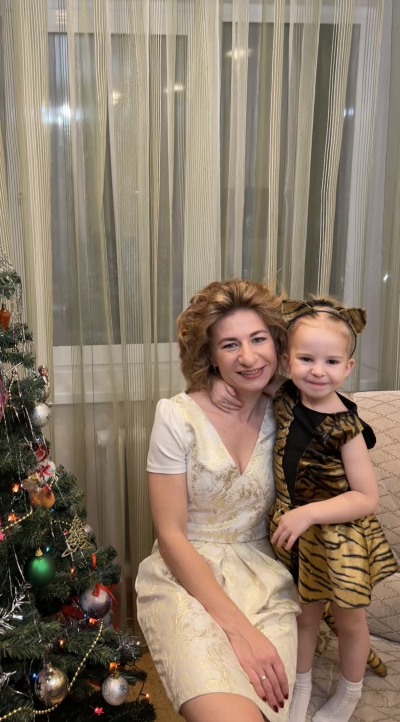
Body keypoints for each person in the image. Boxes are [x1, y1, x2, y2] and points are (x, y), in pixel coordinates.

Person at [213, 297, 398, 722]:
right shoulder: (287, 395)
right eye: (306, 359)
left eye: (331, 362)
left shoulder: (346, 427)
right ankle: (301, 686)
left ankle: (348, 694)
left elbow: (366, 497)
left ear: (348, 368)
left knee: (349, 622)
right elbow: (248, 385)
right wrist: (220, 384)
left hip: (340, 537)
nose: (318, 370)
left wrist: (308, 513)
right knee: (305, 617)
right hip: (299, 537)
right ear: (287, 360)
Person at [135, 279, 299, 722]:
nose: (248, 357)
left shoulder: (290, 411)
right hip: (185, 577)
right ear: (210, 356)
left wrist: (273, 388)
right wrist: (240, 632)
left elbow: (326, 349)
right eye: (230, 345)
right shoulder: (177, 416)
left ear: (277, 342)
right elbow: (170, 534)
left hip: (265, 582)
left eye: (259, 339)